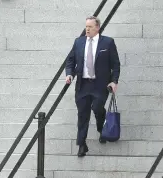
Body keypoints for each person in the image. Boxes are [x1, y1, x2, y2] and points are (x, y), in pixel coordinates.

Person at [65, 16, 121, 157]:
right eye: (86, 26)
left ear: (97, 28)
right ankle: (82, 145)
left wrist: (114, 81)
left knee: (97, 108)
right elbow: (70, 60)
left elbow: (115, 64)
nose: (87, 29)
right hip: (83, 85)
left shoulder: (108, 42)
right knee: (83, 115)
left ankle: (102, 128)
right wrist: (69, 74)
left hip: (100, 85)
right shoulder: (79, 42)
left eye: (90, 27)